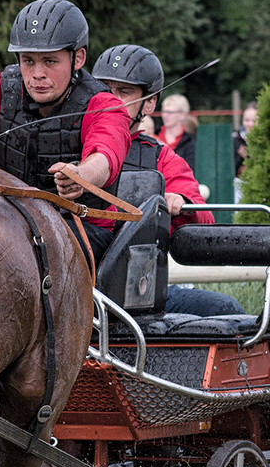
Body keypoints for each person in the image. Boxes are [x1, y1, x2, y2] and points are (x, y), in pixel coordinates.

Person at [0, 0, 131, 261]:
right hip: (3, 223)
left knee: (22, 248)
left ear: (78, 57)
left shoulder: (104, 105)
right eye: (28, 61)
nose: (37, 74)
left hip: (82, 230)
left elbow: (104, 157)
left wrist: (81, 175)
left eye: (50, 61)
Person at [91, 45, 243, 317]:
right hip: (69, 289)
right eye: (105, 90)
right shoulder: (67, 143)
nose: (111, 100)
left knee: (225, 309)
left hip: (136, 293)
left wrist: (180, 204)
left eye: (124, 92)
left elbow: (203, 219)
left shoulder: (162, 158)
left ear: (149, 103)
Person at [157, 93, 197, 170]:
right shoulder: (154, 135)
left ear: (182, 114)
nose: (165, 115)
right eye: (164, 111)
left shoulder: (191, 141)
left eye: (170, 112)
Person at [232, 102, 257, 179]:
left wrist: (248, 156)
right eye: (247, 120)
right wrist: (240, 157)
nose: (250, 124)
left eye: (254, 121)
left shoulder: (265, 139)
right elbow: (232, 168)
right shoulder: (236, 139)